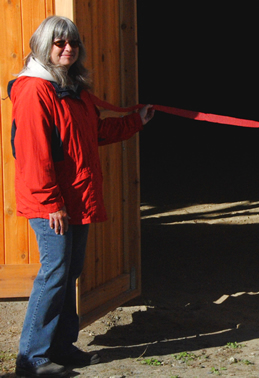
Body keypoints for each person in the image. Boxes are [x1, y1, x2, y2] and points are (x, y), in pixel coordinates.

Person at [9, 16, 154, 377]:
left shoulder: (72, 89)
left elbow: (93, 134)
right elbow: (33, 153)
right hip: (53, 204)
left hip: (76, 198)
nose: (68, 49)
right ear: (43, 46)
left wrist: (136, 121)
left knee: (69, 271)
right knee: (54, 273)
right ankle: (32, 358)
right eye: (59, 43)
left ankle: (59, 345)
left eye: (73, 43)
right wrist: (50, 203)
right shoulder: (34, 90)